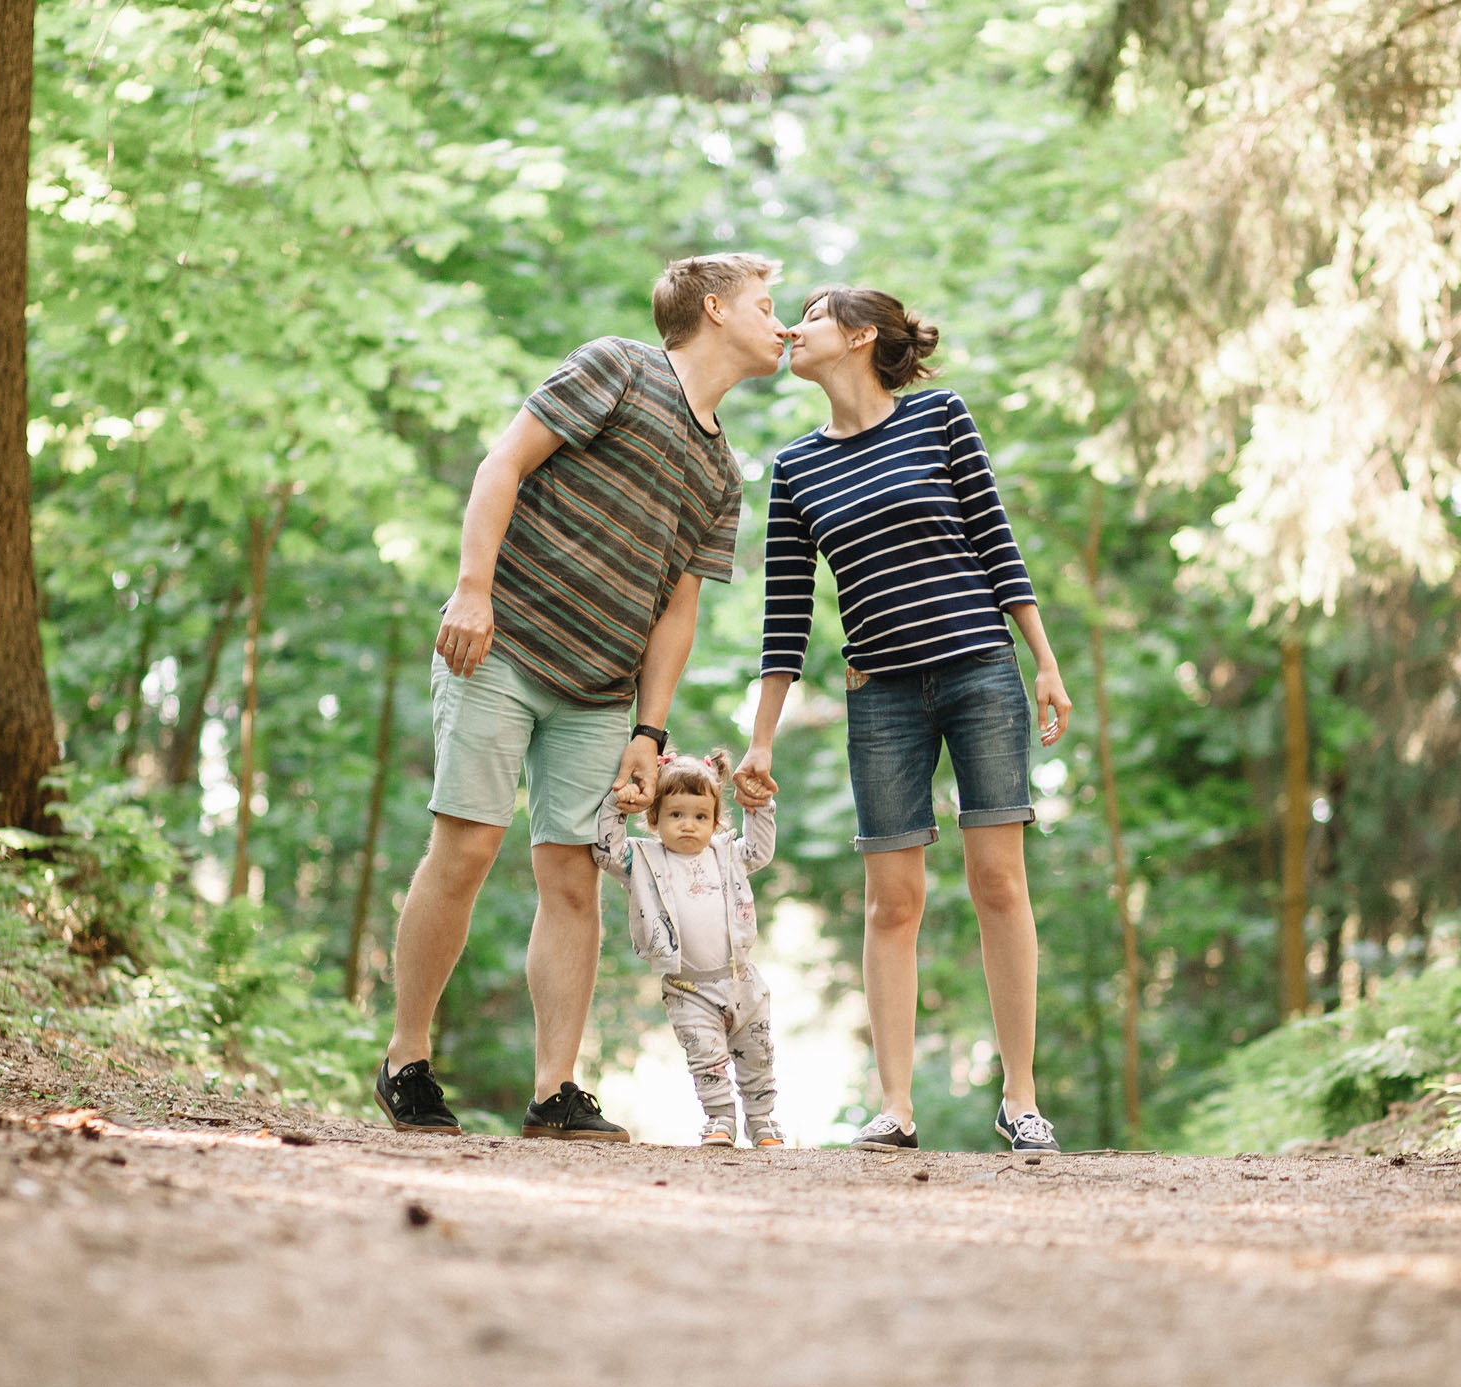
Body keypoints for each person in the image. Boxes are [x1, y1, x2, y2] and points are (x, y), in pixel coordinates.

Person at [375, 253, 791, 1141]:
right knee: (468, 847)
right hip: (504, 644)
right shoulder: (617, 365)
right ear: (714, 309)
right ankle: (407, 1059)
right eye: (766, 304)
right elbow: (504, 464)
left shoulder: (723, 474)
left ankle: (554, 1091)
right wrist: (473, 588)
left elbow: (678, 609)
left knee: (573, 879)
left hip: (602, 691)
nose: (781, 322)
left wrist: (649, 728)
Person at [735, 286, 1073, 1155]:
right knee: (893, 901)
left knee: (1000, 882)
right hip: (880, 694)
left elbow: (996, 540)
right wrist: (762, 735)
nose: (788, 330)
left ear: (856, 336)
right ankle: (895, 1107)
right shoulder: (797, 468)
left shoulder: (940, 417)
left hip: (981, 674)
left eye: (806, 318)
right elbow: (785, 615)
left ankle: (1022, 1100)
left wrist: (1045, 661)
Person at [593, 749, 784, 1149]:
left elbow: (760, 851)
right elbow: (604, 850)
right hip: (688, 988)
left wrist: (760, 806)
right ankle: (720, 1120)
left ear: (715, 821)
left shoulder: (727, 854)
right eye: (675, 815)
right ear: (654, 819)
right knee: (706, 1058)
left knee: (758, 1055)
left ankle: (763, 1121)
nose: (687, 826)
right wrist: (617, 804)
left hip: (742, 981)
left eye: (700, 817)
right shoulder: (643, 860)